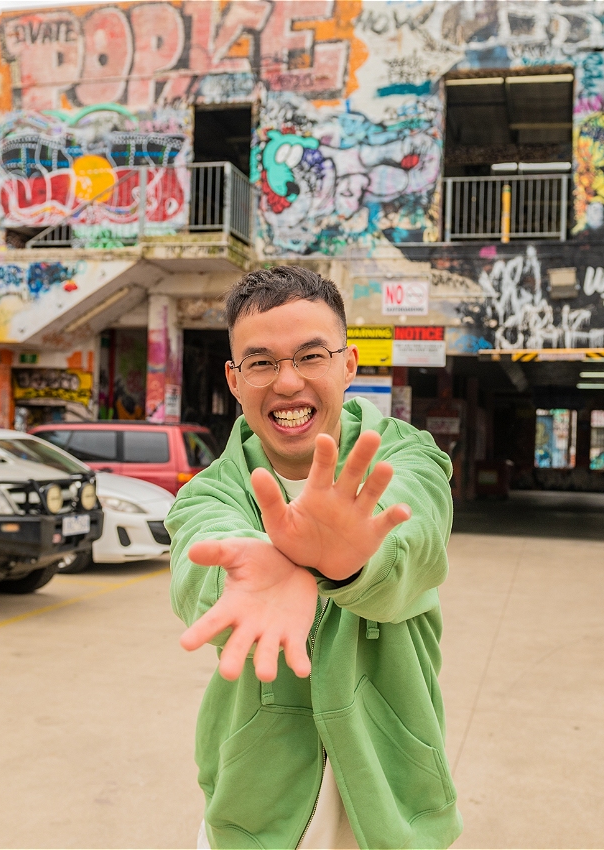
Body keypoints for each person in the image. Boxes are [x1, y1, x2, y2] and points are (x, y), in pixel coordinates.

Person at [166, 266, 462, 850]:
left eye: (310, 355)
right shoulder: (210, 491)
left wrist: (351, 563)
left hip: (394, 802)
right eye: (262, 362)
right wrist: (247, 566)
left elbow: (417, 538)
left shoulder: (407, 457)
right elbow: (200, 558)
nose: (287, 383)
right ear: (233, 377)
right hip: (253, 810)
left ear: (347, 364)